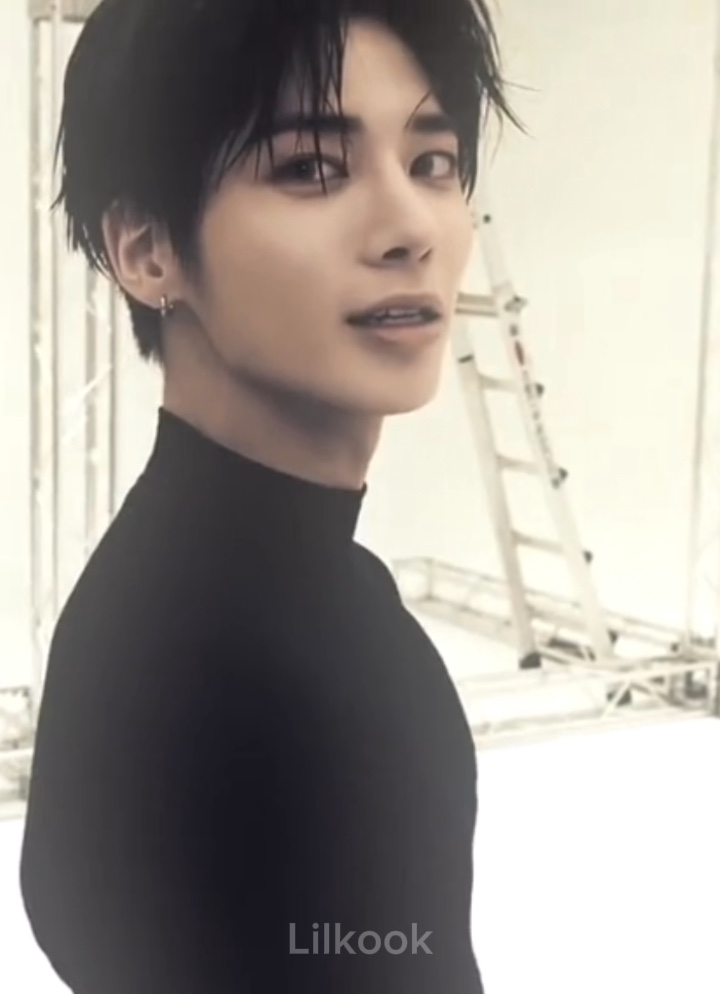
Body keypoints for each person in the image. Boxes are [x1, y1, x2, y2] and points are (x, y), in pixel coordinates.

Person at [19, 1, 520, 991]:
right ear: (147, 250)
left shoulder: (165, 601)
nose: (410, 228)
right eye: (311, 169)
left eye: (432, 162)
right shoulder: (256, 669)